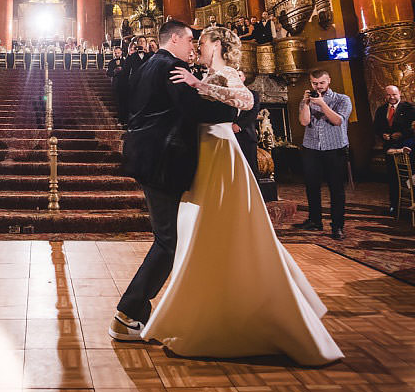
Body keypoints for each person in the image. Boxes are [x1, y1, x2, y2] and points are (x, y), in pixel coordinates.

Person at [134, 24, 342, 365]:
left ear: (216, 45)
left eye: (202, 42)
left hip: (219, 151)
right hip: (205, 150)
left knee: (227, 227)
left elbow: (246, 100)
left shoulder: (226, 72)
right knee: (206, 233)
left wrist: (199, 85)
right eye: (194, 41)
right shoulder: (202, 71)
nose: (197, 46)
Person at [110, 20, 241, 342]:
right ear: (177, 39)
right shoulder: (172, 66)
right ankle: (127, 312)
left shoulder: (147, 65)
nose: (193, 47)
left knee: (169, 237)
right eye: (190, 41)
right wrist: (237, 110)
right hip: (164, 159)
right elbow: (194, 110)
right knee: (169, 240)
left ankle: (136, 313)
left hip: (148, 155)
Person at [296, 69, 352, 239]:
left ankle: (337, 226)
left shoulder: (342, 99)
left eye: (321, 83)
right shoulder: (307, 99)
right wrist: (306, 104)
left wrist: (322, 104)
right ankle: (315, 221)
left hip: (335, 148)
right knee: (312, 187)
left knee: (336, 189)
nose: (318, 86)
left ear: (329, 81)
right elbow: (304, 121)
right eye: (314, 83)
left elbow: (337, 121)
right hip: (312, 147)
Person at [373, 85, 415, 214]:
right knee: (393, 177)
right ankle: (394, 205)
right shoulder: (381, 110)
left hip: (408, 146)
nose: (392, 97)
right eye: (389, 95)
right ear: (385, 96)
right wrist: (382, 134)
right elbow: (376, 127)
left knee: (414, 175)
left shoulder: (409, 107)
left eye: (394, 94)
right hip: (390, 148)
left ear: (399, 94)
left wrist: (402, 133)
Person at [233, 69, 262, 176]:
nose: (237, 78)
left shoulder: (253, 95)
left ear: (244, 78)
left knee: (251, 168)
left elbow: (253, 113)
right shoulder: (226, 95)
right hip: (230, 136)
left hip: (247, 136)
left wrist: (239, 125)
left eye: (239, 75)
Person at [106, 46, 125, 124]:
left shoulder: (125, 61)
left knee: (124, 102)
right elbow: (108, 73)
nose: (117, 54)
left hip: (124, 84)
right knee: (118, 102)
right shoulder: (111, 62)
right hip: (116, 84)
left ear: (121, 52)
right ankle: (120, 118)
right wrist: (114, 71)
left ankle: (124, 119)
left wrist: (122, 69)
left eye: (118, 53)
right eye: (115, 53)